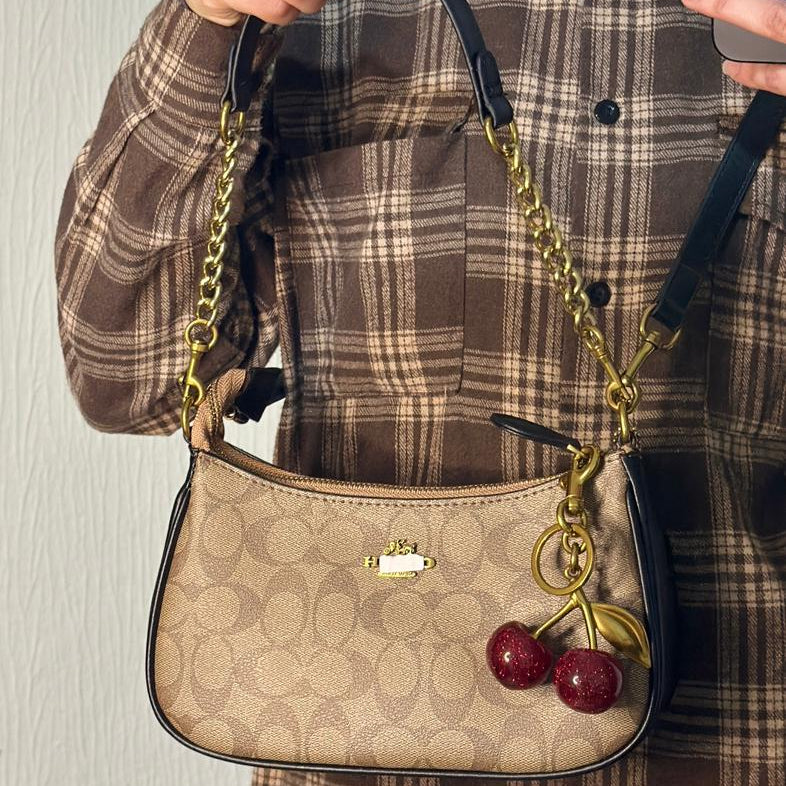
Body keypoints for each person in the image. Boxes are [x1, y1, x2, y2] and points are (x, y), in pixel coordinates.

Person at [54, 1, 786, 784]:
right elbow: (127, 381)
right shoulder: (316, 22)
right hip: (362, 746)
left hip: (737, 737)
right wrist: (206, 23)